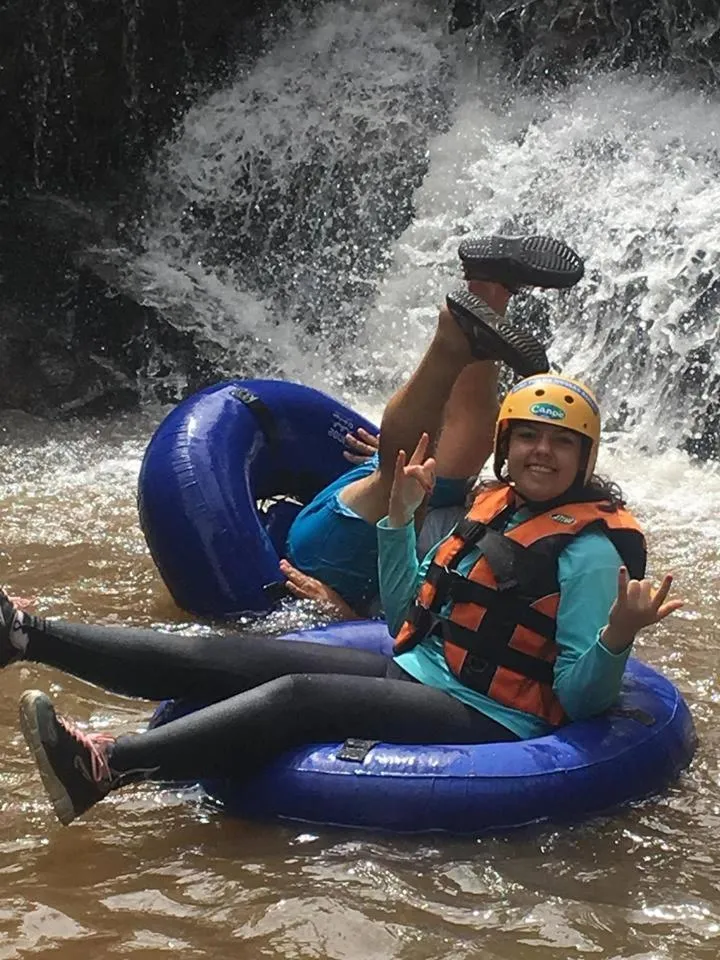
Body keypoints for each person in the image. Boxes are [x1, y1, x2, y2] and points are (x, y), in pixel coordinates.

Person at [4, 370, 681, 826]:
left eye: (561, 442)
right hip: (420, 669)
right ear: (506, 446)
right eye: (528, 435)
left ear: (584, 458)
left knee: (296, 696)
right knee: (231, 657)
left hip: (491, 716)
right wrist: (399, 520)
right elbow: (409, 615)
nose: (542, 452)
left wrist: (617, 635)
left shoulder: (591, 554)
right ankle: (27, 633)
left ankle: (107, 767)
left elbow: (582, 701)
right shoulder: (495, 506)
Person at [283, 233, 585, 616]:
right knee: (432, 466)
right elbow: (416, 632)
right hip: (336, 562)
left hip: (338, 555)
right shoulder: (578, 526)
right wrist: (345, 618)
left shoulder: (558, 530)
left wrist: (345, 616)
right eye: (528, 437)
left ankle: (477, 304)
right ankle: (482, 298)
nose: (542, 451)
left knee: (414, 478)